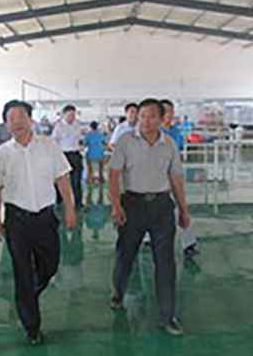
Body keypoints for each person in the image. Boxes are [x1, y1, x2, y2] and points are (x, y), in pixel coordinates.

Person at [0, 100, 77, 345]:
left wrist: (70, 209)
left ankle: (28, 294)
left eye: (21, 117)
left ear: (31, 119)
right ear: (6, 124)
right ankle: (32, 326)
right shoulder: (2, 153)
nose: (16, 122)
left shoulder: (49, 146)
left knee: (50, 266)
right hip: (16, 220)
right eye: (11, 119)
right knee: (22, 272)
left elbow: (63, 180)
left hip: (45, 218)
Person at [109, 98, 191, 336]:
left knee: (165, 262)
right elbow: (113, 175)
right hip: (132, 205)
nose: (145, 121)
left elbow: (176, 178)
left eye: (151, 116)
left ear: (162, 118)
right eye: (142, 116)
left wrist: (183, 210)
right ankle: (118, 292)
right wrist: (116, 206)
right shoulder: (125, 141)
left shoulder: (169, 144)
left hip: (161, 207)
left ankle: (168, 316)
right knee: (126, 255)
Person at [160, 99, 199, 259]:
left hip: (174, 175)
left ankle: (189, 244)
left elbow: (179, 151)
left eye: (171, 111)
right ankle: (147, 238)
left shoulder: (175, 132)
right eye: (166, 111)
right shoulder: (152, 132)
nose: (170, 115)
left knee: (181, 208)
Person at [52, 104, 83, 207]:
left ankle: (78, 202)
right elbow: (54, 141)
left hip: (75, 154)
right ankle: (59, 200)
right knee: (60, 179)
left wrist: (80, 146)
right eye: (70, 115)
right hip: (63, 155)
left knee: (76, 180)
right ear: (64, 115)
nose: (72, 117)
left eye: (73, 115)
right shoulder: (59, 126)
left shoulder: (77, 125)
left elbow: (79, 139)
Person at [83, 121, 106, 205]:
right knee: (101, 170)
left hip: (90, 154)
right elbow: (104, 143)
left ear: (90, 127)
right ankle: (101, 180)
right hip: (100, 154)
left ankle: (89, 181)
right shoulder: (100, 134)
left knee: (90, 170)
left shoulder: (88, 135)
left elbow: (85, 144)